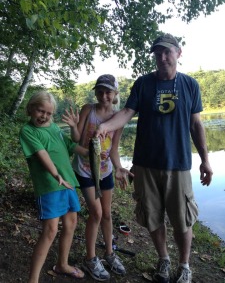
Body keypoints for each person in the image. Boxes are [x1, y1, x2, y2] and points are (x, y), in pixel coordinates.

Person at [95, 34, 213, 283]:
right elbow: (126, 112)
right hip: (144, 164)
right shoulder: (143, 84)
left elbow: (196, 124)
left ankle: (184, 265)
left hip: (178, 163)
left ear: (178, 53)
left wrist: (205, 159)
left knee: (182, 220)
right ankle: (164, 260)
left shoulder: (190, 85)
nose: (162, 57)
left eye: (167, 52)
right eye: (157, 53)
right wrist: (106, 126)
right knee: (152, 216)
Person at [62, 74, 133, 281]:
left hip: (106, 171)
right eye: (100, 91)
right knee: (96, 213)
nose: (104, 96)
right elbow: (77, 139)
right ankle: (91, 258)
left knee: (107, 214)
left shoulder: (118, 117)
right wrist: (74, 127)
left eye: (108, 92)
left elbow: (114, 149)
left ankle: (109, 254)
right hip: (85, 170)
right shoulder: (88, 110)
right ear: (95, 92)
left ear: (115, 94)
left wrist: (119, 167)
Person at [19, 91, 86, 283]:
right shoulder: (28, 131)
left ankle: (62, 264)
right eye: (41, 111)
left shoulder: (55, 127)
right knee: (50, 231)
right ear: (31, 109)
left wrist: (93, 153)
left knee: (71, 224)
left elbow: (73, 146)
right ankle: (33, 279)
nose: (44, 116)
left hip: (69, 183)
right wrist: (57, 175)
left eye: (49, 113)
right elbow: (43, 155)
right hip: (50, 186)